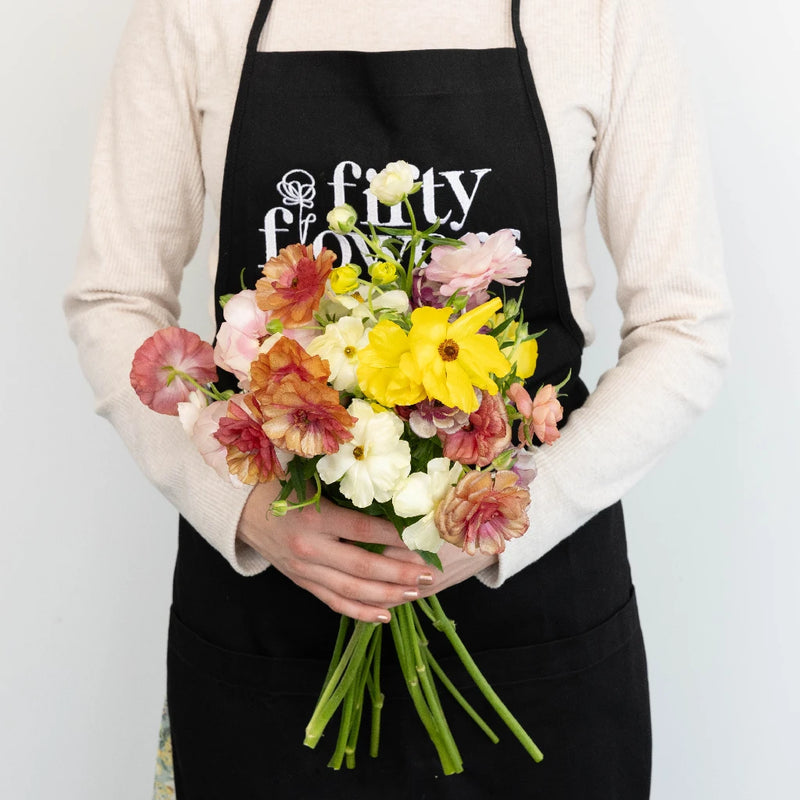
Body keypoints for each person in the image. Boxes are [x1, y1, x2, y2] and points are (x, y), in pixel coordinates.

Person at [65, 0, 731, 797]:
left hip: (533, 606)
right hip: (270, 610)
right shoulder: (192, 13)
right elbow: (113, 299)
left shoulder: (600, 15)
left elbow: (684, 325)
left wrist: (506, 521)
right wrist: (243, 508)